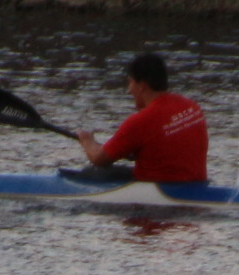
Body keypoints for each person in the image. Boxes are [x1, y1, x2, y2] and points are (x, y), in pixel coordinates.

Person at [73, 51, 208, 183]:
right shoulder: (192, 107)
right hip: (196, 184)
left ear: (142, 86)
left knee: (91, 172)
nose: (129, 89)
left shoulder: (140, 121)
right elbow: (170, 145)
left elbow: (98, 159)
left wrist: (87, 140)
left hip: (160, 187)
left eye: (130, 83)